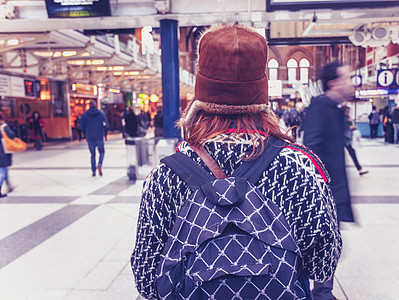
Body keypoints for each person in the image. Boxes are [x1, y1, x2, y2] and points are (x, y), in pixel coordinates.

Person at [131, 25, 341, 300]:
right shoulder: (298, 167)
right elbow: (322, 264)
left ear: (200, 94)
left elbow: (146, 279)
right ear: (263, 92)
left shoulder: (166, 174)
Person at [302, 61, 355, 300]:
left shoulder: (333, 108)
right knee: (323, 243)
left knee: (329, 243)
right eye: (348, 78)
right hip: (324, 191)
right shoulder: (321, 106)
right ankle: (321, 293)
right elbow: (311, 147)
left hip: (332, 190)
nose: (351, 83)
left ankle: (323, 291)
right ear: (334, 83)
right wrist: (322, 189)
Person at [79, 100, 109, 177]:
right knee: (102, 152)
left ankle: (93, 172)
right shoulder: (101, 113)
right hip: (99, 136)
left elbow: (81, 126)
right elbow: (107, 125)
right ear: (95, 105)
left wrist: (86, 131)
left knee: (92, 154)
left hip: (90, 137)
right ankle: (99, 164)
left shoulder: (85, 114)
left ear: (89, 105)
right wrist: (102, 129)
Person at [342, 106, 368, 176]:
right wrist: (349, 124)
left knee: (352, 154)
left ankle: (360, 169)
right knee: (350, 154)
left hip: (347, 139)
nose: (348, 113)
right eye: (346, 111)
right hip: (343, 139)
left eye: (348, 111)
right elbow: (343, 126)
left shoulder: (347, 118)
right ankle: (359, 169)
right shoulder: (342, 118)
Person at [0, 112, 15, 197]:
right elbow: (12, 135)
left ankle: (9, 185)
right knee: (2, 171)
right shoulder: (3, 126)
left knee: (4, 170)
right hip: (3, 152)